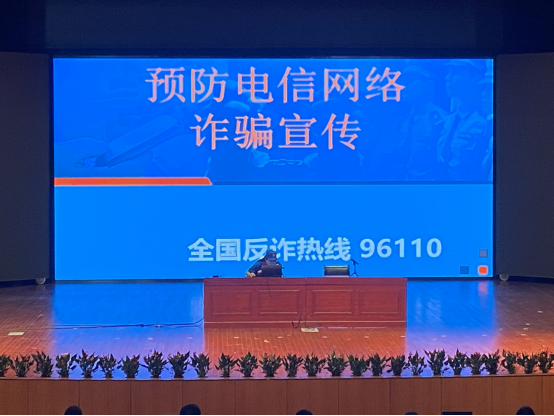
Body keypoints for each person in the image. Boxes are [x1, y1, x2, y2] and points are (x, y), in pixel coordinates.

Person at [437, 59, 488, 181]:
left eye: (456, 73)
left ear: (476, 80)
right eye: (448, 73)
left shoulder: (486, 122)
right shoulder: (450, 119)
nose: (447, 78)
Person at [400, 61, 448, 181]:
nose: (405, 86)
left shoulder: (440, 121)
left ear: (429, 85)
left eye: (411, 80)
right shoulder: (406, 120)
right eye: (404, 81)